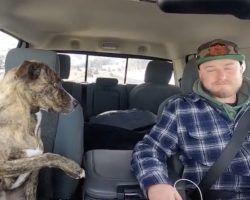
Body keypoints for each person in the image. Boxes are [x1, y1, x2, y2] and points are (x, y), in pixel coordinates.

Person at [131, 39, 250, 200]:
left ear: (242, 68)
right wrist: (155, 183)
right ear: (200, 73)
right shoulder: (180, 108)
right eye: (210, 69)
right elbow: (149, 148)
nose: (221, 76)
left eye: (229, 67)